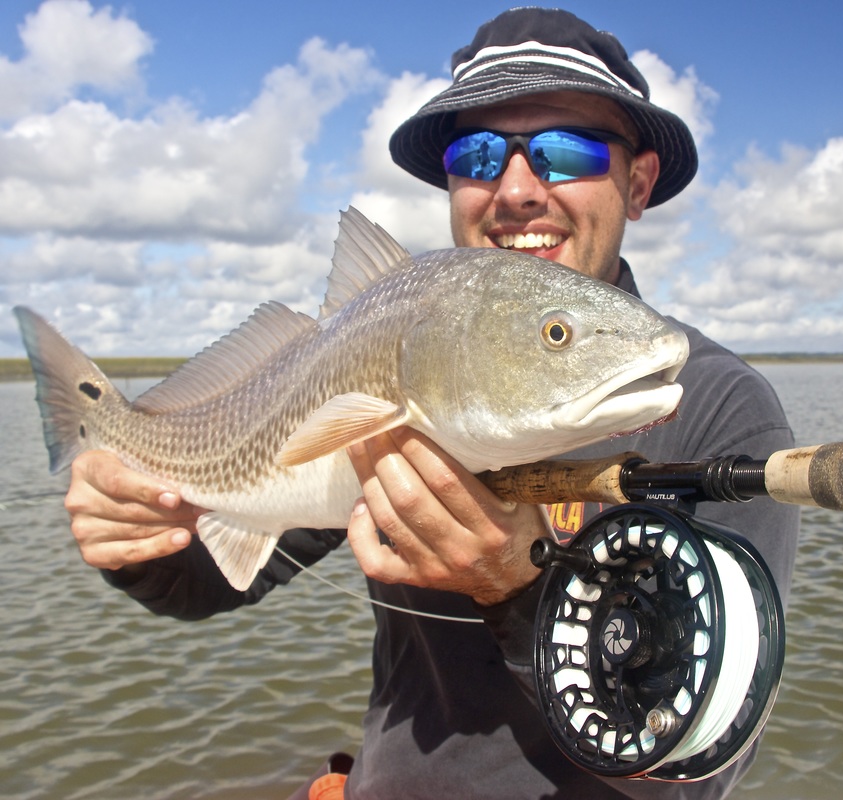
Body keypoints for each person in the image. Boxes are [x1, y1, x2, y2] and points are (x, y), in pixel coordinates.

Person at [64, 8, 800, 799]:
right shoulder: (386, 357)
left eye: (565, 150)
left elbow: (698, 776)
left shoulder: (727, 414)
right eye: (478, 152)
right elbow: (205, 584)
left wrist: (524, 591)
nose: (517, 189)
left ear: (639, 182)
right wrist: (135, 538)